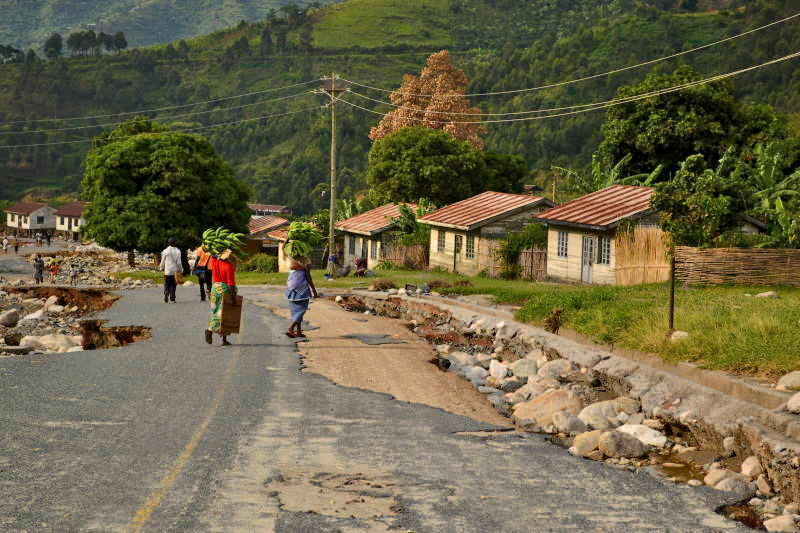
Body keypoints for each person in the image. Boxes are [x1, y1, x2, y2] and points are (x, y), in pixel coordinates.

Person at [206, 249, 237, 346]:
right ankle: (210, 331)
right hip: (224, 289)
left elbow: (211, 253)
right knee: (223, 314)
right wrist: (233, 297)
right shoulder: (229, 266)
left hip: (215, 288)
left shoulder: (215, 262)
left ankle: (224, 340)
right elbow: (231, 284)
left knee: (215, 312)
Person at [285, 256, 318, 338]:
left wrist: (285, 244)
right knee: (301, 310)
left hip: (291, 291)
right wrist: (314, 290)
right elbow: (308, 278)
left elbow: (284, 251)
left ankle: (299, 331)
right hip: (302, 292)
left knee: (296, 311)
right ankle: (291, 328)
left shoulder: (292, 263)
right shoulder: (305, 265)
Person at [159, 238, 182, 303]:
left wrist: (161, 267)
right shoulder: (178, 251)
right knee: (173, 285)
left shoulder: (165, 251)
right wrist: (181, 269)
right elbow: (179, 263)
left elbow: (163, 260)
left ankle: (166, 294)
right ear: (175, 243)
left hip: (167, 271)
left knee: (166, 284)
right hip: (174, 271)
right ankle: (172, 298)